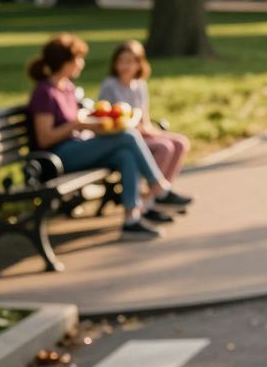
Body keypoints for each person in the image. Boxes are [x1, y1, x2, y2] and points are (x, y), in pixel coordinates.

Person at [26, 34, 190, 239]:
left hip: (76, 146)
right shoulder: (45, 93)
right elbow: (45, 139)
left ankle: (131, 219)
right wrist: (77, 124)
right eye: (78, 58)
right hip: (56, 158)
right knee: (128, 136)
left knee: (125, 154)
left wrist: (96, 124)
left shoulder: (67, 87)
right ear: (64, 62)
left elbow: (79, 122)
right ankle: (159, 188)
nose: (81, 63)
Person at [99, 40, 191, 185]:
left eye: (130, 62)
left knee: (181, 142)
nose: (126, 66)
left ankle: (160, 193)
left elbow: (144, 120)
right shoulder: (110, 86)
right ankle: (152, 192)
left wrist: (151, 131)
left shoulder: (140, 85)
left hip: (142, 132)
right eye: (122, 61)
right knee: (164, 147)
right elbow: (105, 119)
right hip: (124, 136)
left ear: (138, 64)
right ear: (115, 64)